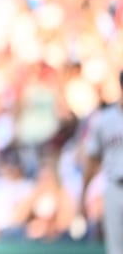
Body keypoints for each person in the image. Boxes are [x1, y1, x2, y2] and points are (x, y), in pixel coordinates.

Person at [80, 70, 123, 254]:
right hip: (115, 185)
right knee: (116, 249)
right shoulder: (105, 119)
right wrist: (84, 192)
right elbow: (92, 159)